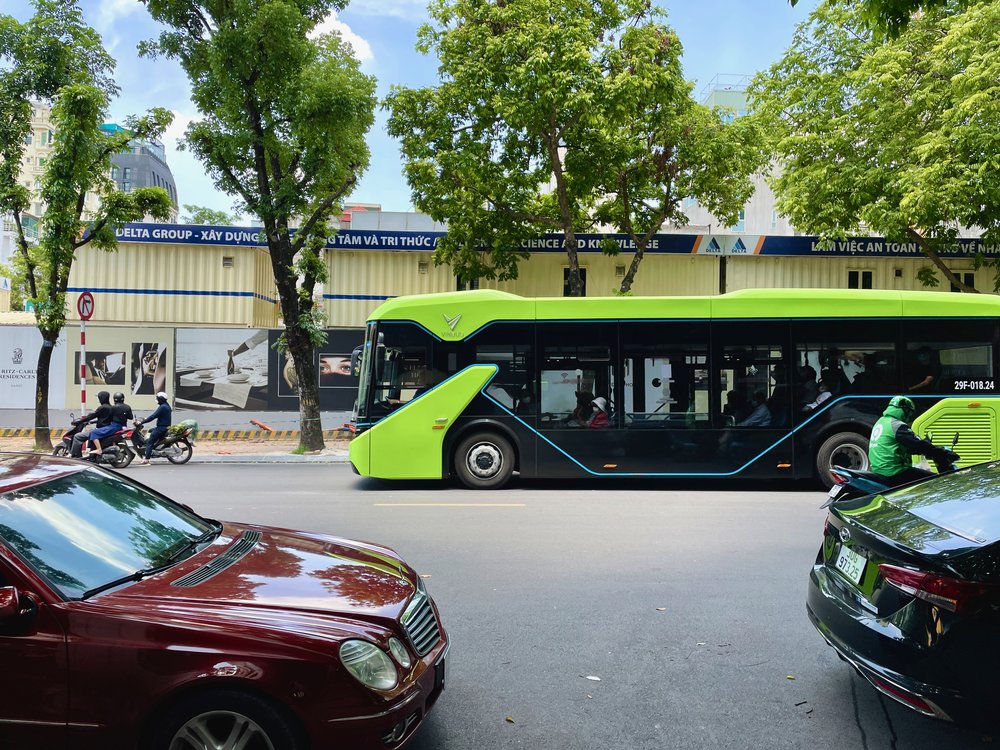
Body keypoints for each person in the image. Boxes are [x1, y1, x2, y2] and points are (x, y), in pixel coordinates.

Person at [868, 396, 959, 485]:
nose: (909, 417)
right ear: (905, 410)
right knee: (935, 482)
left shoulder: (881, 421)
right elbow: (917, 446)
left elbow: (909, 446)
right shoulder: (897, 425)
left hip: (879, 469)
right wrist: (942, 451)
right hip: (893, 471)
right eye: (910, 413)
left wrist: (925, 446)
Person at [84, 392, 134, 459]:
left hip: (114, 426)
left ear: (114, 399)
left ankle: (99, 449)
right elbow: (130, 417)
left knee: (93, 432)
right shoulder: (128, 407)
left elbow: (108, 417)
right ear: (123, 398)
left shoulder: (113, 408)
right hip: (123, 426)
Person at [71, 391, 113, 458]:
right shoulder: (111, 407)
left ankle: (73, 454)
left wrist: (79, 422)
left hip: (100, 430)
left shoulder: (102, 408)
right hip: (106, 429)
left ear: (102, 398)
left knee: (77, 436)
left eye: (99, 397)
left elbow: (92, 416)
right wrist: (91, 422)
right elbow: (104, 418)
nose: (98, 399)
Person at [136, 391, 172, 466]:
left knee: (150, 442)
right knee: (150, 430)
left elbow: (153, 416)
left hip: (161, 428)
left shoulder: (162, 407)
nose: (156, 400)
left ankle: (147, 460)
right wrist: (146, 419)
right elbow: (156, 415)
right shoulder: (166, 405)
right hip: (164, 427)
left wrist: (142, 422)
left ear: (160, 399)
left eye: (157, 398)